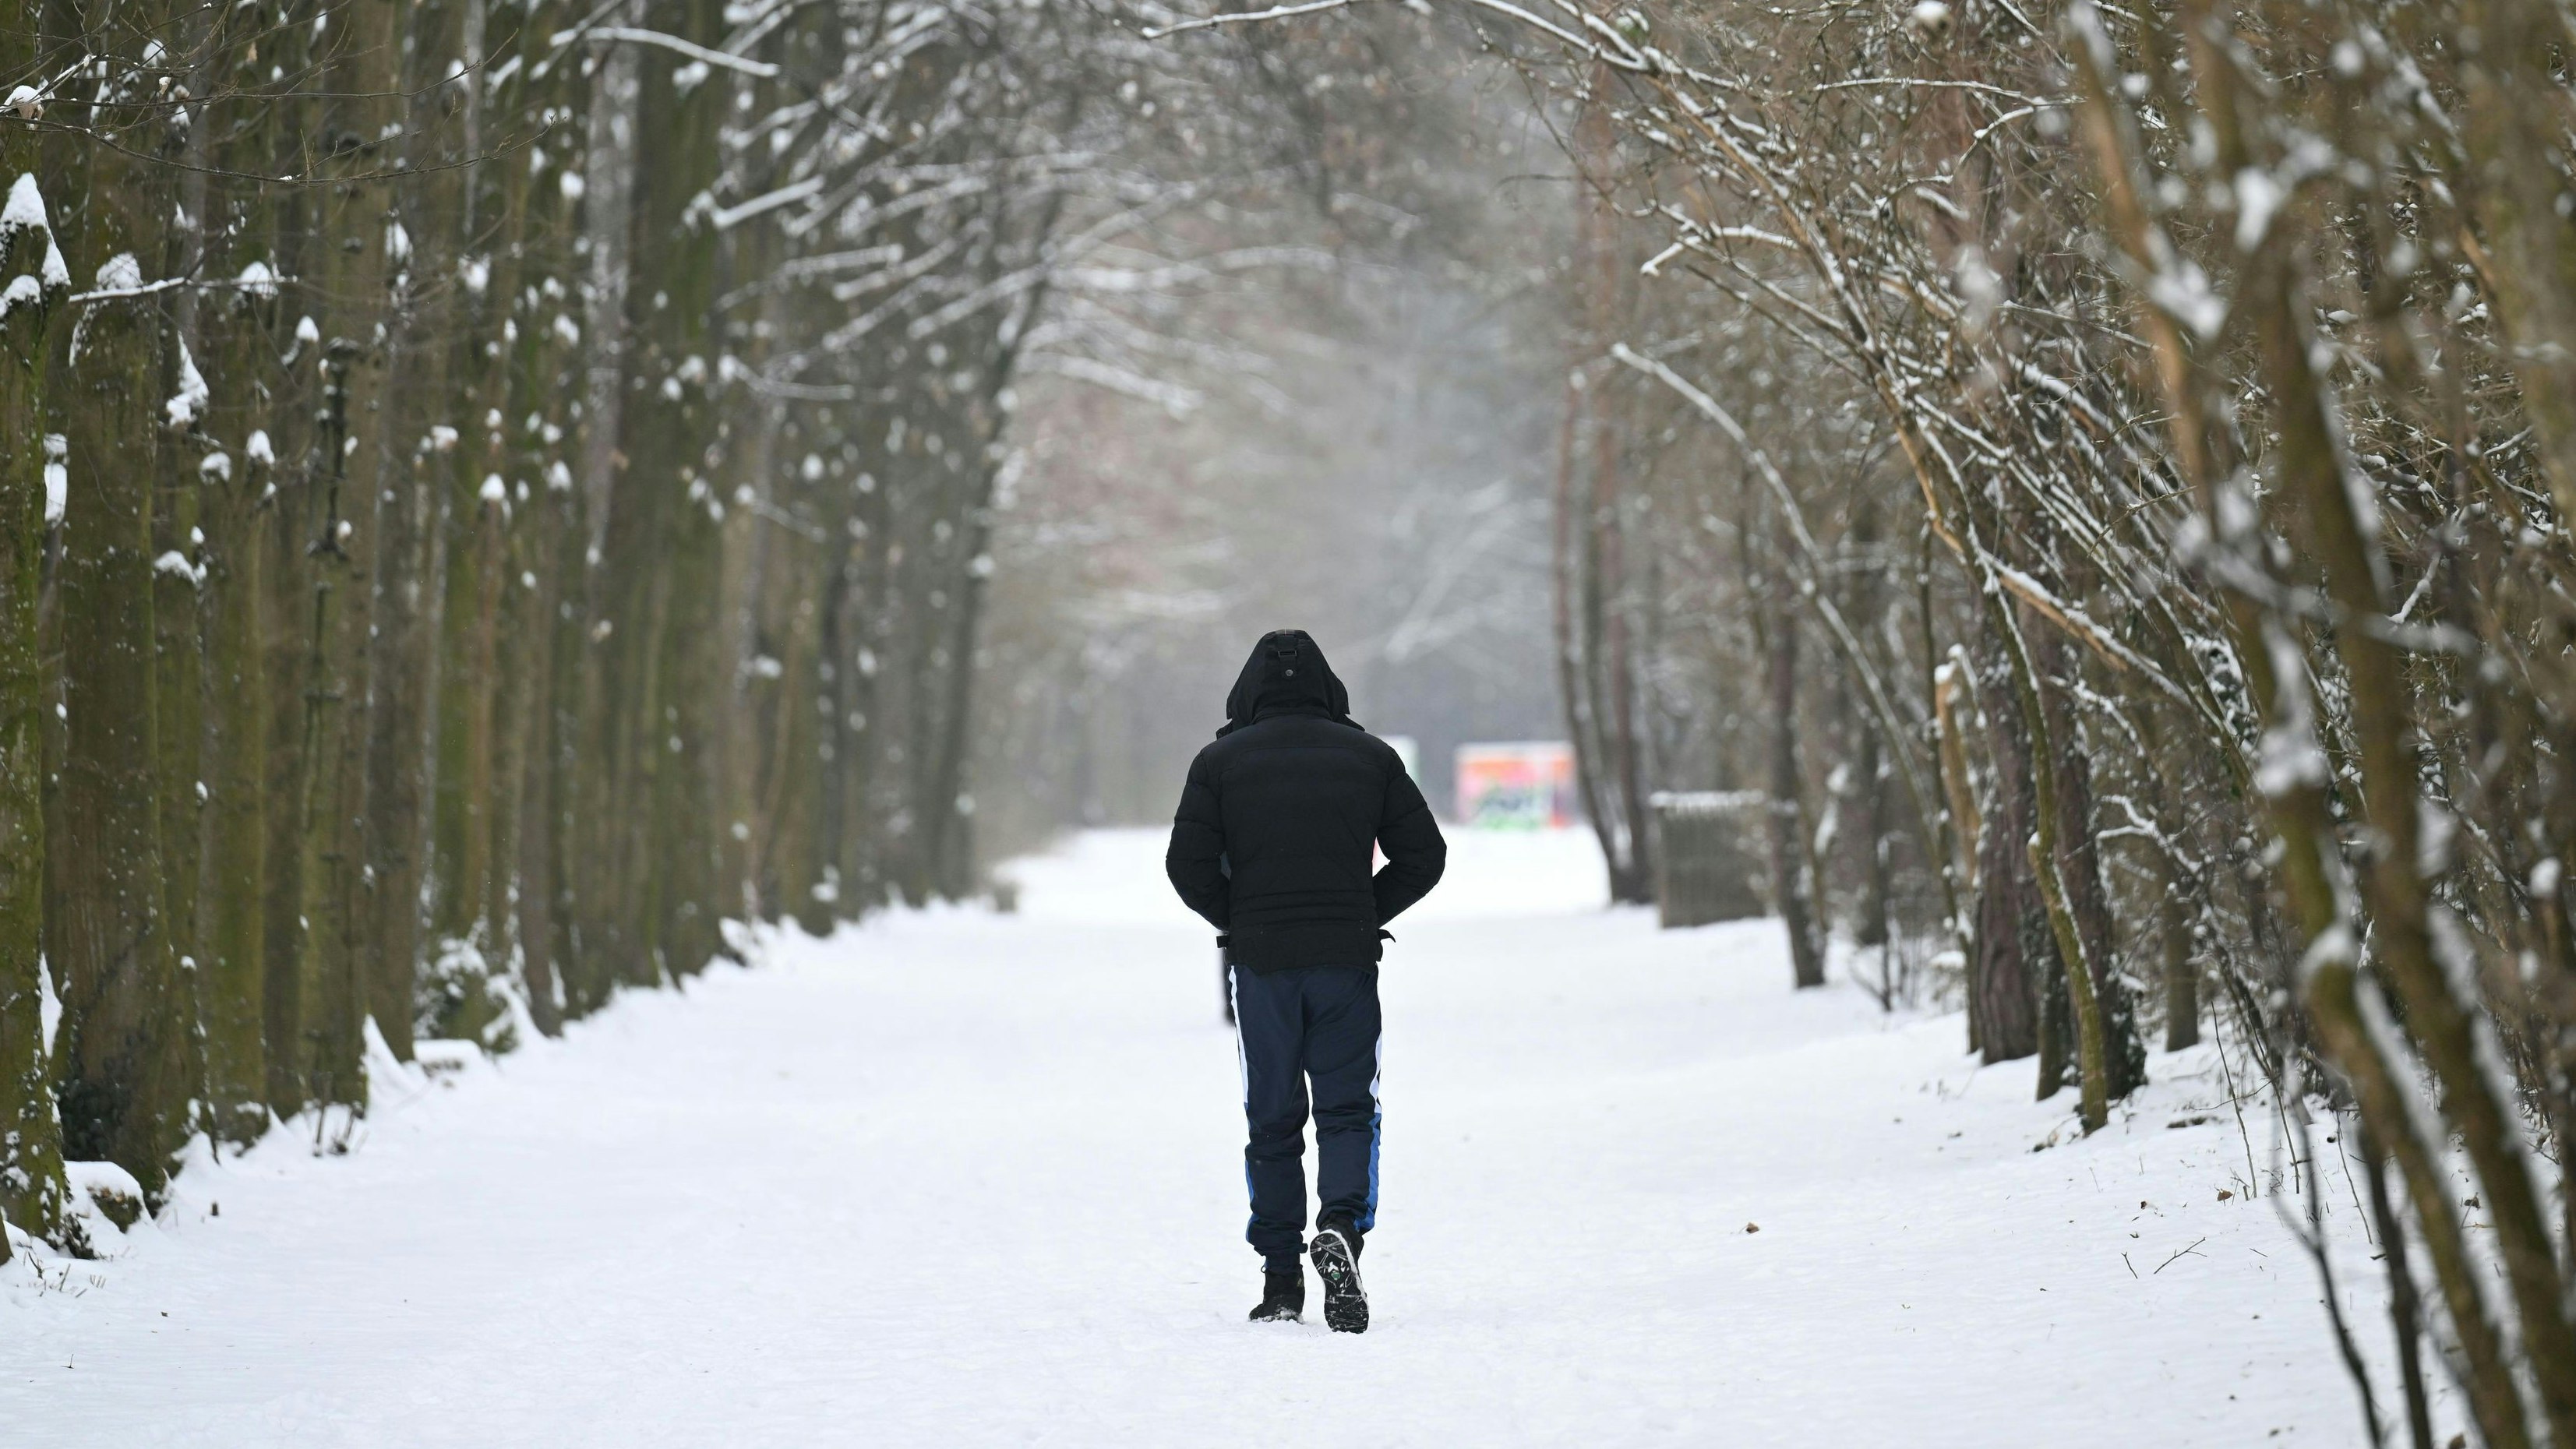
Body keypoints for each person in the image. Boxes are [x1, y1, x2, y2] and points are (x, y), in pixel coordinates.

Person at [1165, 629, 1447, 1333]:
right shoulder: (1370, 758)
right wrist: (1360, 913)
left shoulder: (1219, 763)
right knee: (1349, 1110)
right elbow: (1426, 856)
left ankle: (1282, 1280)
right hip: (1345, 964)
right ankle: (1343, 1231)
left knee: (1272, 1116)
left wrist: (1243, 920)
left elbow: (1186, 865)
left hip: (1262, 969)